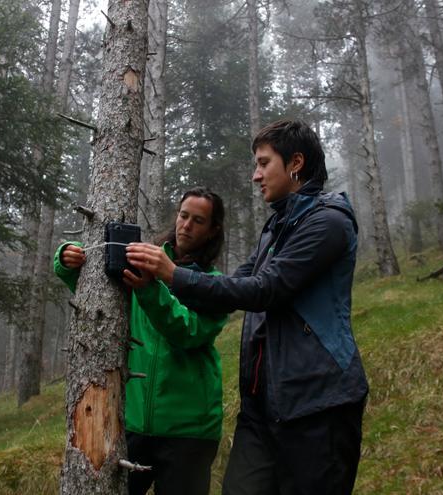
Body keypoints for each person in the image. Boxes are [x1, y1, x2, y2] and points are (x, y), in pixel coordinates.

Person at [127, 119, 368, 495]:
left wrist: (172, 275)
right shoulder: (276, 228)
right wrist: (155, 276)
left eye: (263, 163)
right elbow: (235, 282)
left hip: (319, 405)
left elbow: (265, 289)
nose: (256, 176)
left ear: (296, 163)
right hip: (261, 407)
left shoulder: (329, 223)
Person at [53, 187, 230, 495]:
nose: (186, 225)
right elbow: (99, 296)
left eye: (198, 220)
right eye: (183, 215)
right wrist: (67, 261)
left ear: (213, 230)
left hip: (189, 430)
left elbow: (187, 332)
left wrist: (151, 289)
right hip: (131, 423)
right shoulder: (143, 261)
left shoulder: (214, 285)